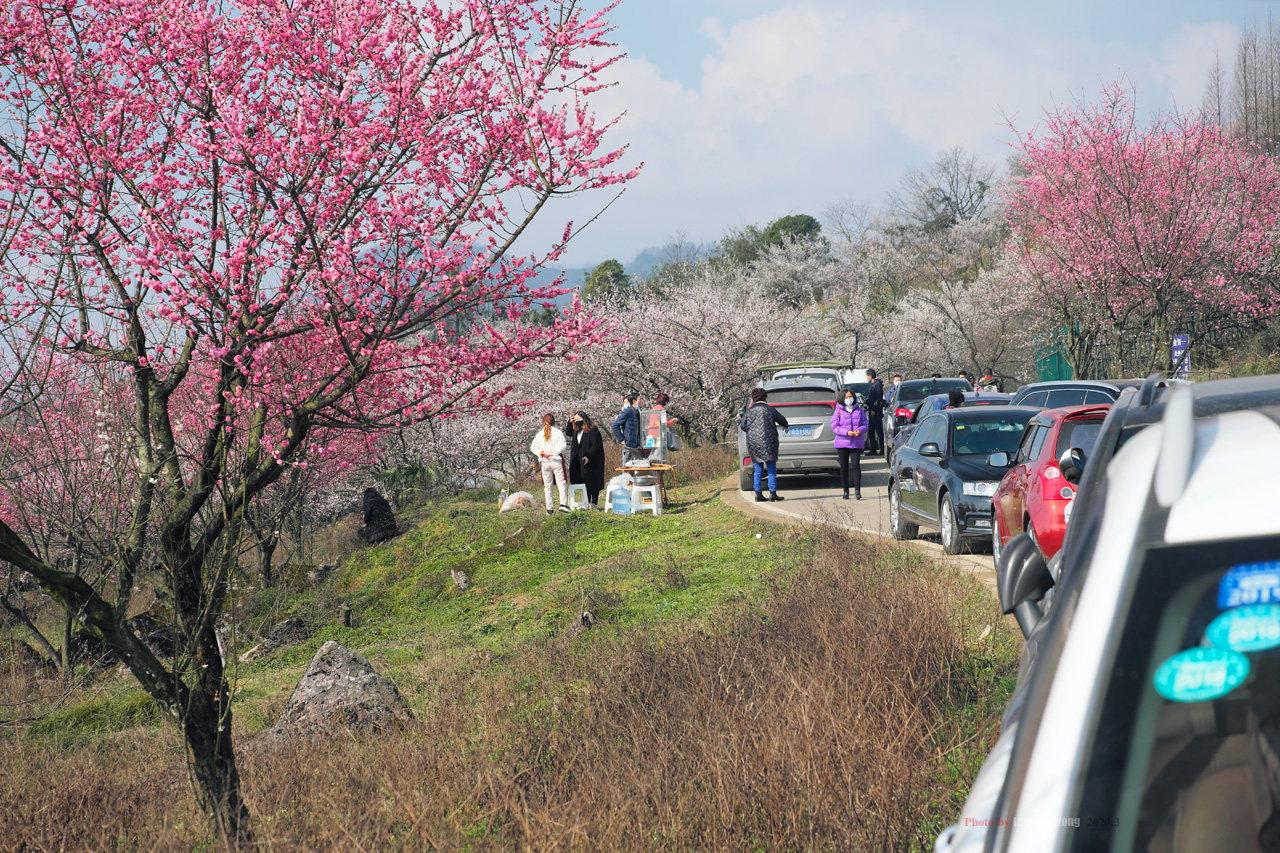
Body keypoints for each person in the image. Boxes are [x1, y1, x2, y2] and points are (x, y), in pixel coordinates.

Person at [739, 388, 789, 502]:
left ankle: (758, 494)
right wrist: (786, 426)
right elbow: (781, 419)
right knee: (771, 468)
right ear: (765, 397)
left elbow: (743, 426)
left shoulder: (749, 412)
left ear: (753, 398)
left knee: (758, 468)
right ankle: (772, 493)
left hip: (754, 443)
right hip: (769, 441)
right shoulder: (770, 410)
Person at [831, 387, 868, 500]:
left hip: (856, 442)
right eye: (846, 397)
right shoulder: (838, 410)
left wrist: (859, 431)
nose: (848, 399)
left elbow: (865, 424)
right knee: (844, 467)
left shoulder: (859, 410)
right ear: (842, 398)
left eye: (850, 397)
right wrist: (847, 432)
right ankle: (845, 490)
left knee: (856, 466)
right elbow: (835, 426)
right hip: (843, 443)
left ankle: (857, 490)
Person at [530, 413, 571, 514]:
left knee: (547, 486)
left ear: (543, 422)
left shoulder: (539, 434)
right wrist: (553, 453)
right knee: (561, 483)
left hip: (544, 462)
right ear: (554, 422)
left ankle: (549, 509)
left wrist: (542, 454)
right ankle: (563, 504)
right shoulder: (558, 432)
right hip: (556, 461)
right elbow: (563, 446)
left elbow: (533, 447)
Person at [570, 411, 605, 507]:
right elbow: (568, 432)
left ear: (584, 419)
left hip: (592, 460)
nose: (577, 422)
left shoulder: (592, 430)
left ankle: (594, 502)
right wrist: (570, 421)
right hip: (580, 460)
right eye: (575, 420)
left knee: (593, 481)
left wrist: (589, 455)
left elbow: (595, 445)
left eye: (578, 419)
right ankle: (587, 500)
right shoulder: (577, 431)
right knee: (583, 480)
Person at [611, 392, 643, 463]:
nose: (641, 401)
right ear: (634, 401)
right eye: (639, 399)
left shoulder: (637, 412)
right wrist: (622, 439)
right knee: (627, 467)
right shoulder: (628, 412)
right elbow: (615, 425)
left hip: (637, 446)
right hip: (629, 445)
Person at [864, 368, 885, 456]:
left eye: (866, 376)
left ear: (870, 376)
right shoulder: (873, 385)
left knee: (878, 431)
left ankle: (882, 449)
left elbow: (878, 399)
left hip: (876, 412)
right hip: (871, 410)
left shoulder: (877, 385)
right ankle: (873, 449)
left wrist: (874, 409)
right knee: (871, 431)